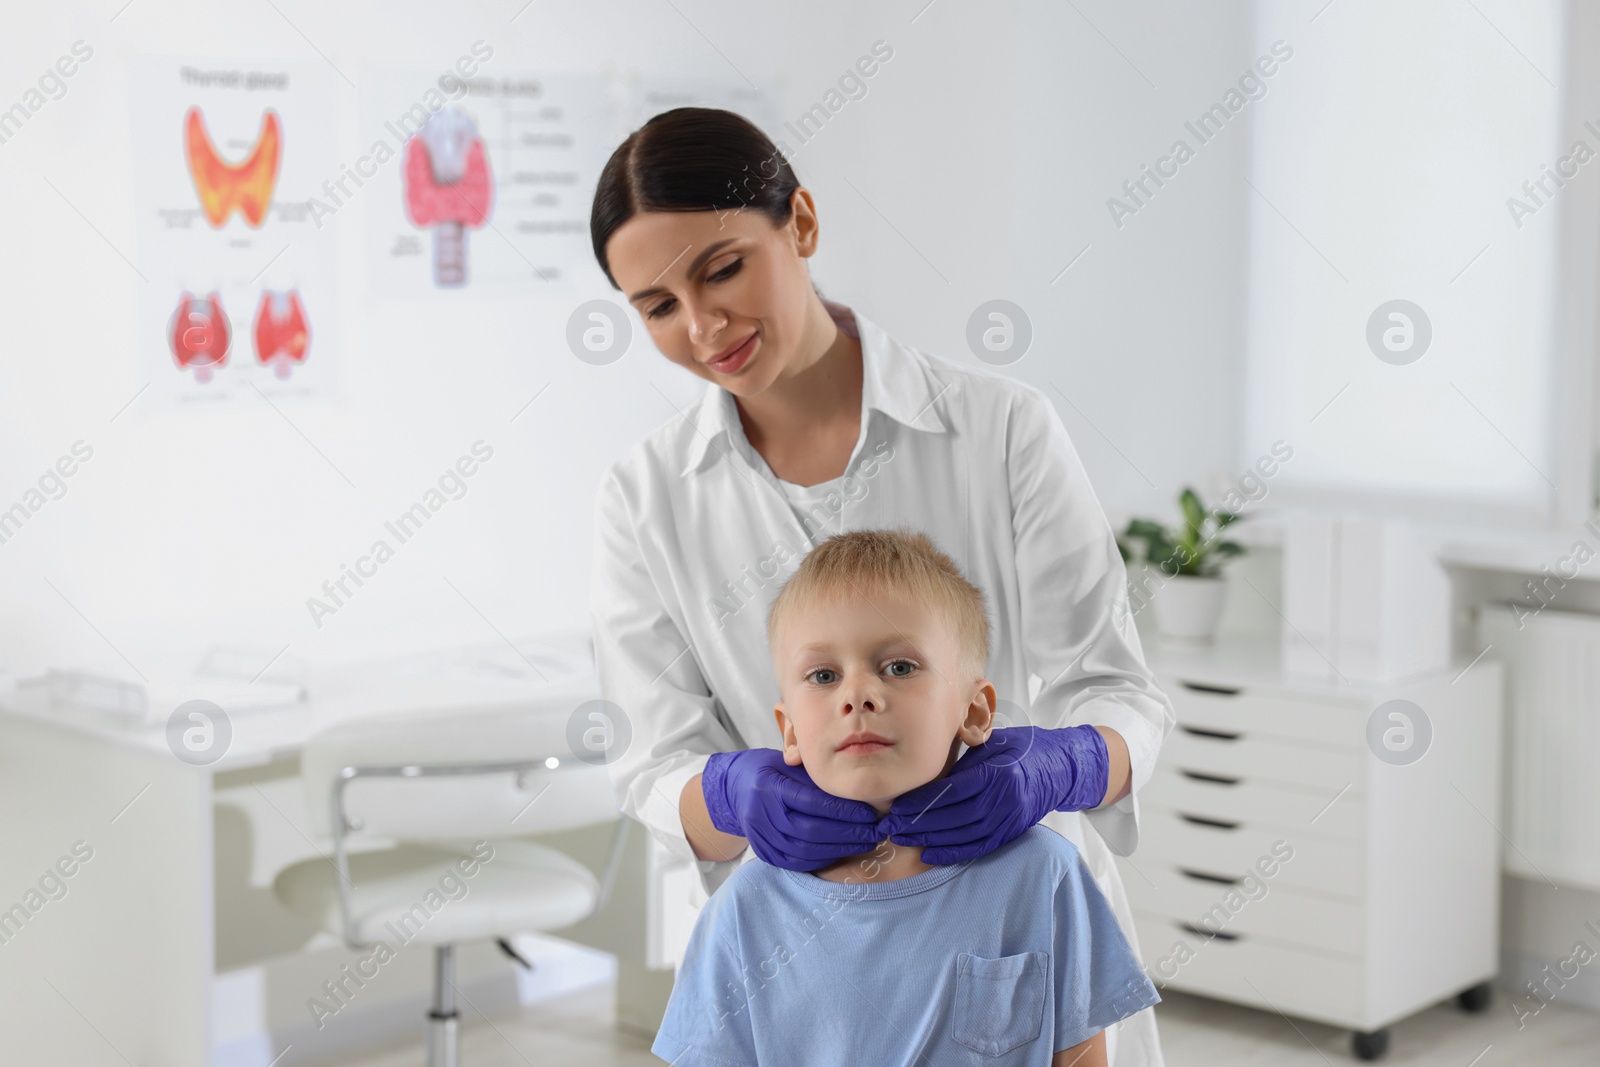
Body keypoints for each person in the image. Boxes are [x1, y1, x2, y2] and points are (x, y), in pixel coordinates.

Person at [588, 106, 1176, 1064]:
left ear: (803, 225)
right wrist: (736, 794)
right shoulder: (644, 499)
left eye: (723, 267)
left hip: (1014, 937)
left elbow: (1120, 695)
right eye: (657, 307)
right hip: (808, 960)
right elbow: (653, 766)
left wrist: (1054, 767)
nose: (702, 325)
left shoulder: (1002, 432)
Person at [649, 529, 1162, 1067]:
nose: (858, 695)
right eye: (823, 675)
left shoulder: (1042, 880)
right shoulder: (747, 909)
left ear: (975, 712)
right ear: (790, 731)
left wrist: (1081, 761)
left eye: (899, 667)